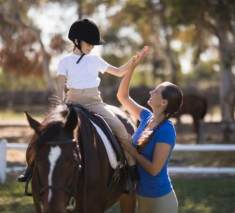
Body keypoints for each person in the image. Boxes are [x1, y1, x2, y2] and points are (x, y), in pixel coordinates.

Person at [17, 18, 139, 184]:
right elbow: (60, 86)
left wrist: (132, 62)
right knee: (44, 129)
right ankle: (30, 167)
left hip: (95, 102)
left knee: (120, 128)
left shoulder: (95, 60)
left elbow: (118, 72)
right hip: (72, 103)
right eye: (89, 43)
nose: (92, 47)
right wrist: (61, 105)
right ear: (76, 41)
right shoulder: (64, 61)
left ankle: (131, 167)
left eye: (93, 44)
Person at [117, 46, 183, 213]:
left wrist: (131, 149)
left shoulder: (167, 130)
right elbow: (122, 96)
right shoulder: (146, 116)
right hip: (144, 199)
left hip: (161, 201)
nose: (151, 92)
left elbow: (154, 169)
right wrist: (131, 67)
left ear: (164, 102)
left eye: (156, 91)